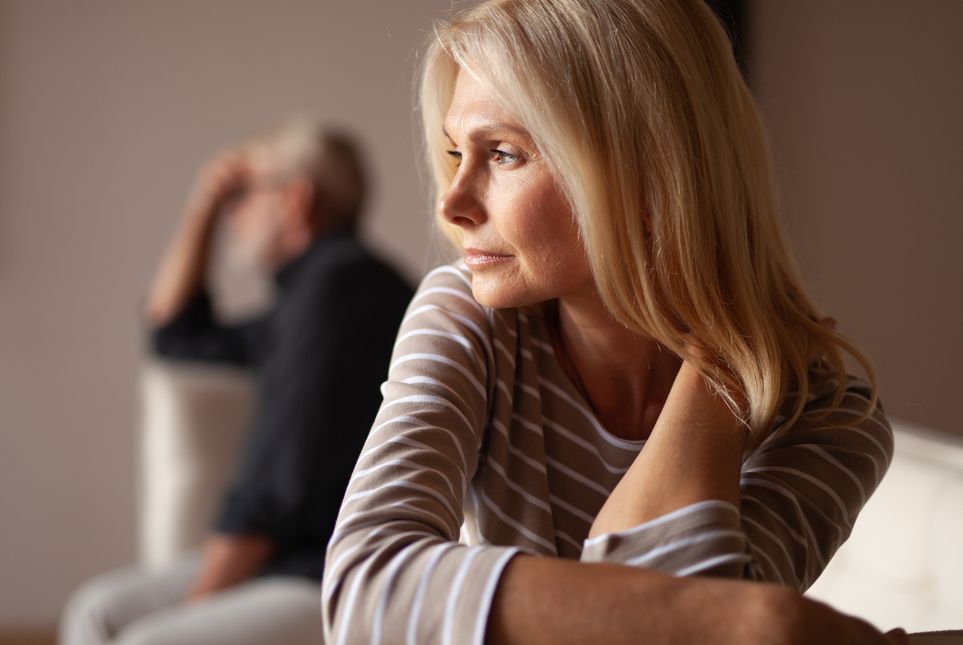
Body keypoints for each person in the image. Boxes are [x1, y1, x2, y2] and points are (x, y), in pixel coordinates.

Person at [322, 1, 908, 644]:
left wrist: (722, 369)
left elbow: (676, 626)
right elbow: (364, 591)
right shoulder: (472, 320)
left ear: (650, 177)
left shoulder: (830, 417)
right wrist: (762, 619)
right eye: (457, 152)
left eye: (504, 154)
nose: (451, 203)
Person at [61, 119, 413, 645]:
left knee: (146, 640)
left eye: (242, 196)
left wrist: (201, 600)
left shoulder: (341, 294)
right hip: (284, 561)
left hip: (335, 571)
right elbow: (174, 333)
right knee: (96, 611)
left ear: (295, 200)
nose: (234, 214)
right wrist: (203, 204)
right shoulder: (310, 296)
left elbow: (276, 489)